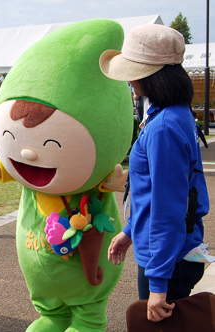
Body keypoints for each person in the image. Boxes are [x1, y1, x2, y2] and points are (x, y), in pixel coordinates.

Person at [101, 24, 210, 323]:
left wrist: (158, 286)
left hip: (168, 261)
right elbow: (153, 191)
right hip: (175, 252)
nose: (131, 80)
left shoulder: (163, 126)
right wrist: (130, 230)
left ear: (150, 74)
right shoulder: (172, 113)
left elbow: (166, 209)